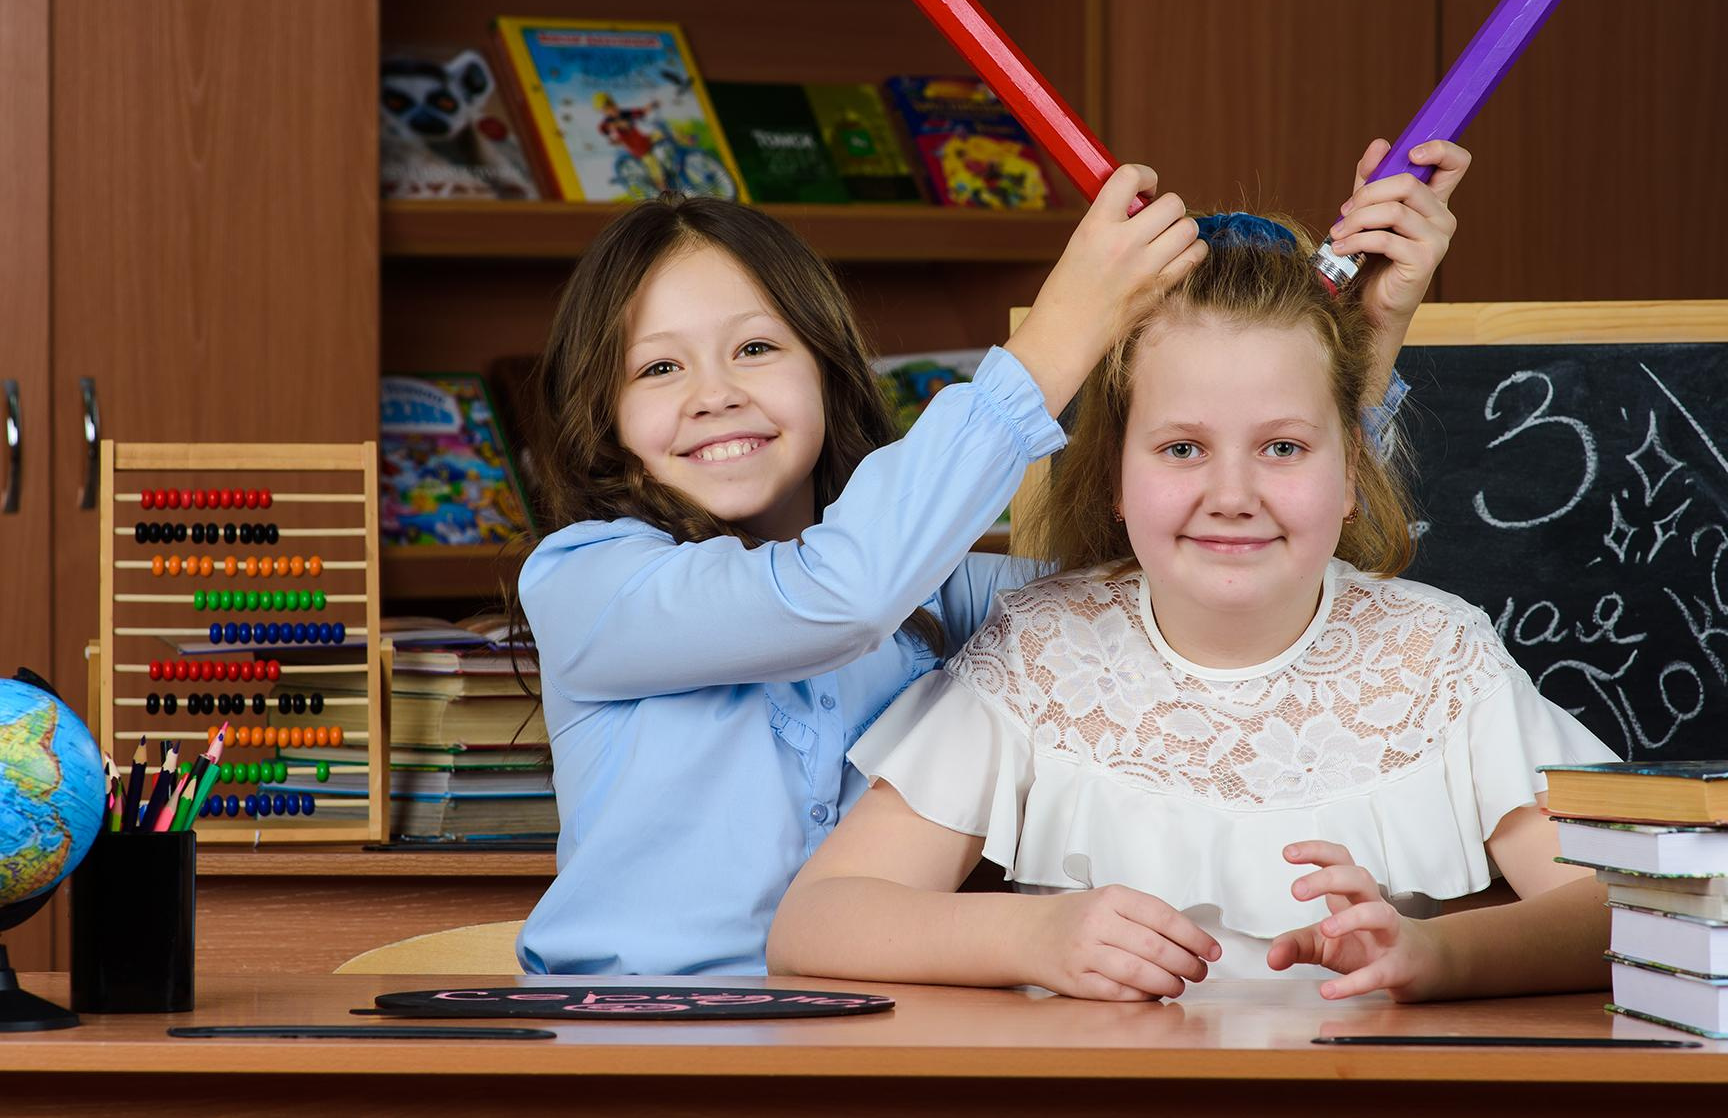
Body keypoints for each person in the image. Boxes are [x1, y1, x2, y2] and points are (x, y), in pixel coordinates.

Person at [514, 139, 1466, 976]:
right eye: (659, 367)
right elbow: (835, 595)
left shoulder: (938, 597)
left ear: (829, 367)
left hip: (864, 1051)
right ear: (603, 411)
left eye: (757, 346)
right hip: (636, 1041)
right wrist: (1061, 334)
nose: (715, 394)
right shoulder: (585, 581)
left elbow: (1194, 584)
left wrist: (1363, 345)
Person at [768, 206, 1618, 1003]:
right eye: (1183, 448)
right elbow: (816, 922)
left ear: (1352, 474)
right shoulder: (1038, 652)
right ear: (1113, 480)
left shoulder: (1439, 655)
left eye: (1282, 446)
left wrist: (1437, 956)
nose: (1232, 493)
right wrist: (1033, 932)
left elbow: (1629, 908)